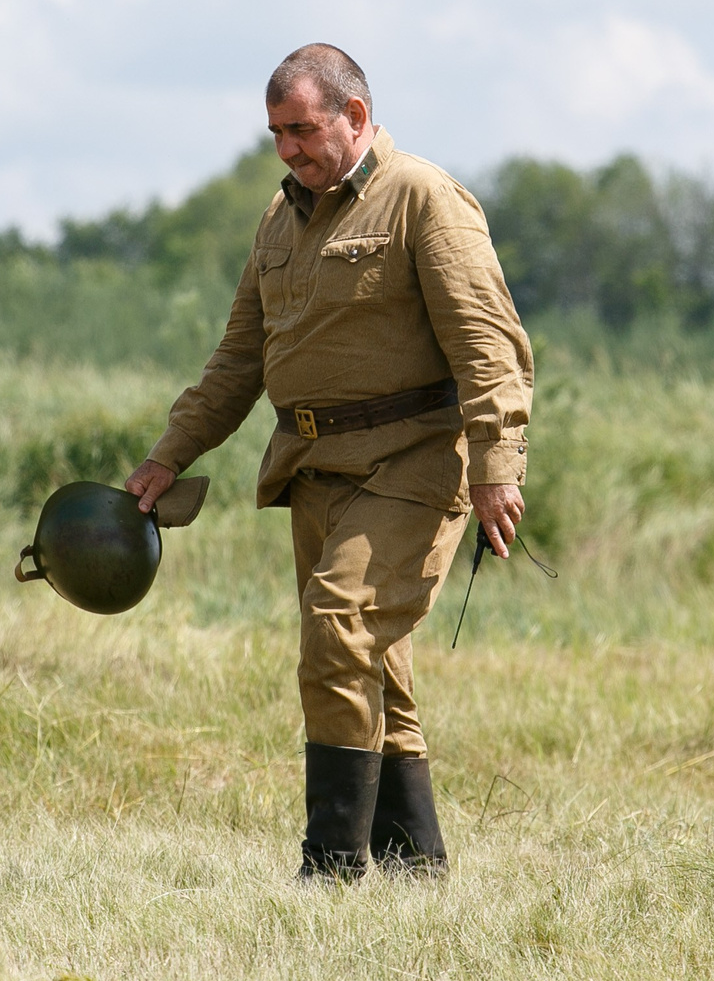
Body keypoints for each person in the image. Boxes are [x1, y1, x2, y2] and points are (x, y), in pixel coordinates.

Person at [124, 44, 533, 880]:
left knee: (340, 625)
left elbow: (490, 345)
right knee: (371, 661)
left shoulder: (424, 198)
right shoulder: (280, 220)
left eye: (302, 129)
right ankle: (416, 870)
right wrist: (168, 457)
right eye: (277, 133)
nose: (288, 150)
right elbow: (237, 361)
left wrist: (498, 465)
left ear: (355, 114)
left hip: (414, 460)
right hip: (314, 468)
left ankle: (332, 872)